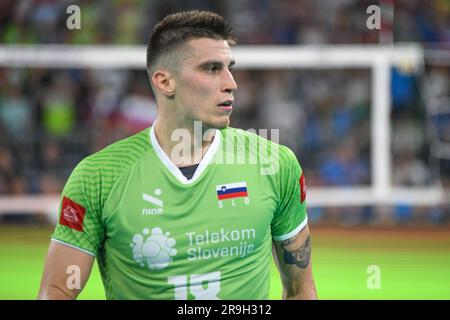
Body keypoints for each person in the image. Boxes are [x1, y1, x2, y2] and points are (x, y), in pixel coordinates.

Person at [38, 10, 317, 300]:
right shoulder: (98, 176)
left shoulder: (275, 164)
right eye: (211, 69)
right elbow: (58, 289)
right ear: (164, 81)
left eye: (229, 67)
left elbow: (301, 288)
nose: (231, 83)